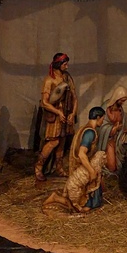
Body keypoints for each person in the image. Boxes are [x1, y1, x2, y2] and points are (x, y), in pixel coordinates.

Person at [42, 106, 107, 213]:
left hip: (83, 165)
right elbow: (82, 154)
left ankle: (89, 203)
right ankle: (59, 199)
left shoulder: (84, 128)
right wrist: (91, 170)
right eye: (103, 118)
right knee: (77, 199)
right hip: (83, 167)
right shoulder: (90, 133)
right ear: (98, 117)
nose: (103, 121)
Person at [35, 52, 77, 181]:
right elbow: (45, 102)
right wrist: (58, 112)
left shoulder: (67, 77)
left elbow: (74, 98)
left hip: (66, 112)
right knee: (54, 141)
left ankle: (59, 168)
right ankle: (38, 167)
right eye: (65, 64)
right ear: (59, 64)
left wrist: (72, 113)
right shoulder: (49, 80)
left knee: (62, 141)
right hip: (55, 115)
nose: (67, 66)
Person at [96, 85, 127, 175]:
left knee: (118, 164)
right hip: (107, 140)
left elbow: (122, 122)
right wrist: (113, 129)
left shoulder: (120, 109)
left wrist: (123, 132)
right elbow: (100, 126)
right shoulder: (105, 108)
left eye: (124, 100)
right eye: (122, 100)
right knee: (112, 167)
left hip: (117, 138)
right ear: (117, 98)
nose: (123, 103)